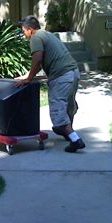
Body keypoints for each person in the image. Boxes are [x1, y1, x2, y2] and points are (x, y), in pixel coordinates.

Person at [15, 15, 85, 152]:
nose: (23, 34)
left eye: (23, 30)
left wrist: (29, 79)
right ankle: (68, 134)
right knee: (68, 106)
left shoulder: (35, 38)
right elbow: (44, 62)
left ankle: (75, 139)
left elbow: (37, 59)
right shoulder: (47, 35)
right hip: (73, 73)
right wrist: (27, 75)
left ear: (30, 29)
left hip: (61, 77)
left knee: (58, 111)